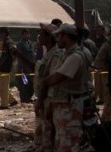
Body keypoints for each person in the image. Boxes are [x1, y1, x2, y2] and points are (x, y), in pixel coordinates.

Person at [42, 23, 93, 151]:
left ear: (66, 36)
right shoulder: (68, 54)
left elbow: (57, 78)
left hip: (70, 106)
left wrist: (43, 81)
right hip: (64, 105)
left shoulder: (75, 57)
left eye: (59, 36)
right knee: (61, 142)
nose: (57, 39)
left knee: (68, 144)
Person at [33, 23, 63, 152]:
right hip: (45, 97)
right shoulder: (48, 54)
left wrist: (40, 100)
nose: (38, 37)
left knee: (48, 131)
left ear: (49, 38)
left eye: (41, 34)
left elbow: (49, 80)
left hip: (50, 98)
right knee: (45, 130)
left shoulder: (56, 55)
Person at [0, 27, 18, 109]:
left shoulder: (6, 42)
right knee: (5, 85)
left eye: (0, 33)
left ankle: (4, 104)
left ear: (4, 33)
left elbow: (4, 56)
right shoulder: (11, 42)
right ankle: (11, 100)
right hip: (9, 66)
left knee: (3, 86)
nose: (0, 34)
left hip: (4, 66)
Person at [15, 29, 35, 103]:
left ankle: (29, 97)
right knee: (24, 83)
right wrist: (21, 68)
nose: (27, 36)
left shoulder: (29, 43)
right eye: (26, 34)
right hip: (23, 67)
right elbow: (19, 56)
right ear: (22, 35)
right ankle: (24, 99)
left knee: (31, 83)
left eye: (28, 34)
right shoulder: (20, 44)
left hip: (30, 66)